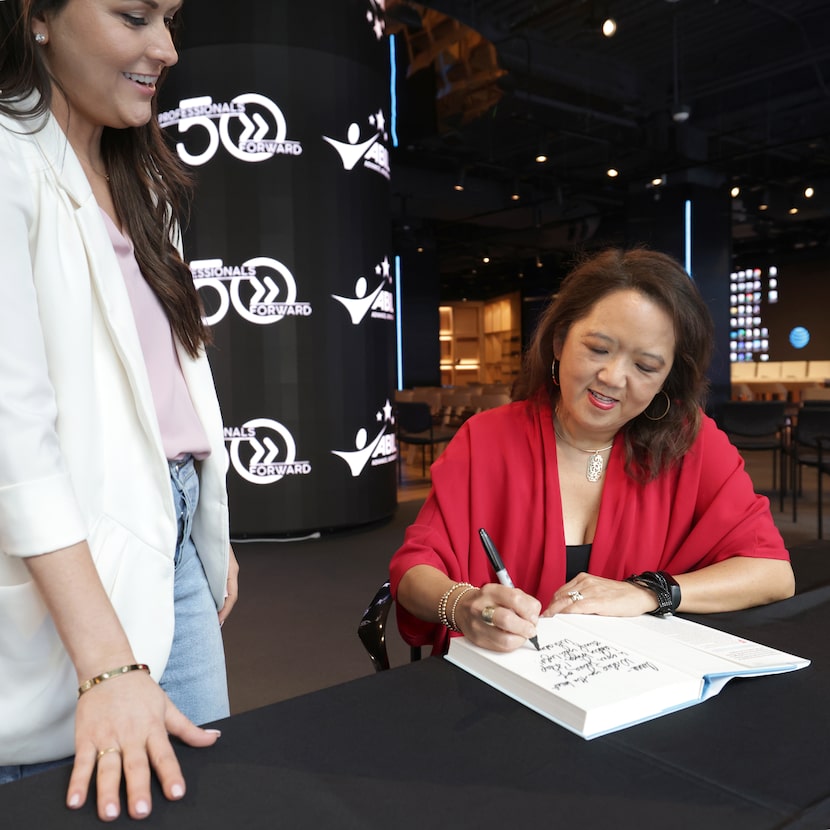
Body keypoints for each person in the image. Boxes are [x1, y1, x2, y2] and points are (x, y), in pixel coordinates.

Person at [0, 0, 239, 821]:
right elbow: (12, 439)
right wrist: (104, 664)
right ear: (37, 17)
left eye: (170, 18)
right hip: (66, 567)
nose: (165, 48)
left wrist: (206, 536)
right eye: (133, 15)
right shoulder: (6, 161)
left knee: (202, 800)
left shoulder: (142, 181)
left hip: (173, 546)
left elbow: (168, 388)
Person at [390, 247, 794, 655]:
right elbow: (413, 572)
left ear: (667, 379)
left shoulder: (692, 443)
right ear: (560, 340)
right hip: (504, 687)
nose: (613, 377)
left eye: (646, 367)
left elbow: (773, 573)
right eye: (599, 349)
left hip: (638, 687)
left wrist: (649, 592)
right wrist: (461, 606)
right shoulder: (487, 438)